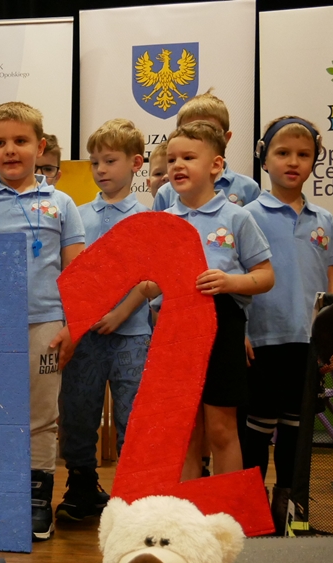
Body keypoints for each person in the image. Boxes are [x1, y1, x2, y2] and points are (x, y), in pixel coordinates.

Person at [0, 101, 85, 541]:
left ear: (39, 146)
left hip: (45, 324)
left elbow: (76, 273)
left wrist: (72, 324)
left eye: (21, 141)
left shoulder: (62, 203)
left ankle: (35, 500)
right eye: (0, 142)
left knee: (41, 417)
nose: (11, 150)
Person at [137, 121, 274, 481]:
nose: (177, 166)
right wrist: (150, 284)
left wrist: (230, 281)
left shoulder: (238, 217)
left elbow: (265, 276)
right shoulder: (162, 222)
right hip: (174, 328)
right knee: (185, 430)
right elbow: (150, 285)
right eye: (172, 159)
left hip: (223, 326)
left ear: (215, 165)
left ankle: (227, 514)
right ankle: (188, 515)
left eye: (188, 158)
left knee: (221, 429)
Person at [242, 116, 333, 534]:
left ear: (316, 160)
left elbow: (331, 279)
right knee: (256, 432)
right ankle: (252, 512)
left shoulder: (324, 219)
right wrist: (241, 331)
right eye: (283, 153)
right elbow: (238, 275)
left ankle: (291, 507)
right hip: (262, 340)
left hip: (308, 342)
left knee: (296, 434)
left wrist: (331, 336)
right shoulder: (247, 215)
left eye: (304, 154)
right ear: (264, 159)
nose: (293, 162)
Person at [58, 119, 151, 522]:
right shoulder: (77, 216)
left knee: (133, 413)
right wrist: (85, 317)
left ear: (135, 163)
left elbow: (155, 276)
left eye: (110, 160)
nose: (100, 169)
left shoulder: (148, 215)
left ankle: (134, 497)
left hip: (132, 333)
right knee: (78, 409)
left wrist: (121, 311)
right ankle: (81, 485)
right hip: (87, 335)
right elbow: (72, 275)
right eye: (95, 161)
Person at [152, 89, 260, 210]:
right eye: (189, 133)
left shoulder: (247, 188)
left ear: (226, 138)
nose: (198, 138)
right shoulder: (166, 193)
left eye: (209, 132)